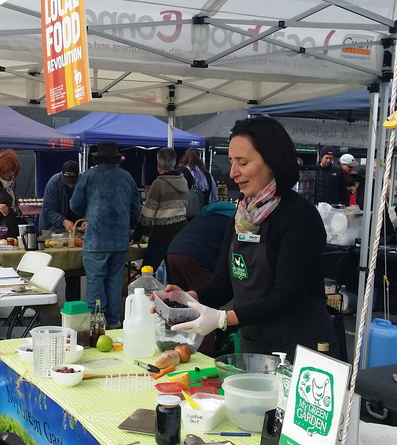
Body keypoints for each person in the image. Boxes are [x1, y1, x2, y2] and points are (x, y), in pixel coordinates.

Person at [169, 116, 338, 362]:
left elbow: (287, 296)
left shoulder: (299, 216)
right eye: (231, 162)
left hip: (301, 352)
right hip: (255, 346)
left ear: (272, 161)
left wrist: (223, 319)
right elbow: (224, 283)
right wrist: (187, 298)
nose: (233, 172)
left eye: (243, 162)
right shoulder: (243, 216)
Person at [70, 140, 141, 328]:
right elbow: (136, 208)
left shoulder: (88, 176)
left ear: (98, 158)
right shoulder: (127, 177)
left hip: (96, 239)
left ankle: (96, 323)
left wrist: (91, 212)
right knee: (115, 281)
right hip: (119, 239)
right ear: (117, 159)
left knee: (95, 280)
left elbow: (74, 204)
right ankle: (113, 322)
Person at [166, 200, 237, 355]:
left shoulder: (206, 215)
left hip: (173, 253)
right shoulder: (233, 219)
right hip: (196, 258)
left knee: (185, 305)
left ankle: (182, 347)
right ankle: (204, 354)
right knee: (206, 309)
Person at [130, 147, 188, 272]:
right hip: (181, 232)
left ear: (159, 165)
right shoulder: (183, 181)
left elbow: (147, 214)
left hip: (161, 235)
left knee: (147, 271)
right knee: (175, 274)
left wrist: (136, 237)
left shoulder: (159, 184)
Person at [39, 160, 84, 301]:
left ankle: (73, 303)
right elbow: (48, 209)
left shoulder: (84, 182)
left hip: (76, 229)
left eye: (73, 181)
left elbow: (89, 205)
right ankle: (46, 302)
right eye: (68, 181)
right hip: (52, 229)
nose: (71, 184)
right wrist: (63, 221)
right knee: (51, 266)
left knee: (73, 265)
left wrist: (86, 219)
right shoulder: (54, 183)